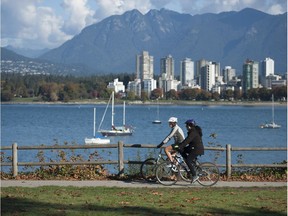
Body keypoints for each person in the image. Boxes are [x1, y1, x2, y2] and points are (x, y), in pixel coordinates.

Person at [176, 119, 204, 183]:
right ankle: (192, 164)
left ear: (189, 126)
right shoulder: (192, 131)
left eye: (186, 125)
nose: (186, 127)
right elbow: (185, 141)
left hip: (196, 149)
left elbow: (187, 141)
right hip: (192, 148)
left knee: (188, 160)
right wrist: (179, 146)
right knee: (182, 150)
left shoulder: (193, 132)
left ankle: (194, 175)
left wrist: (180, 146)